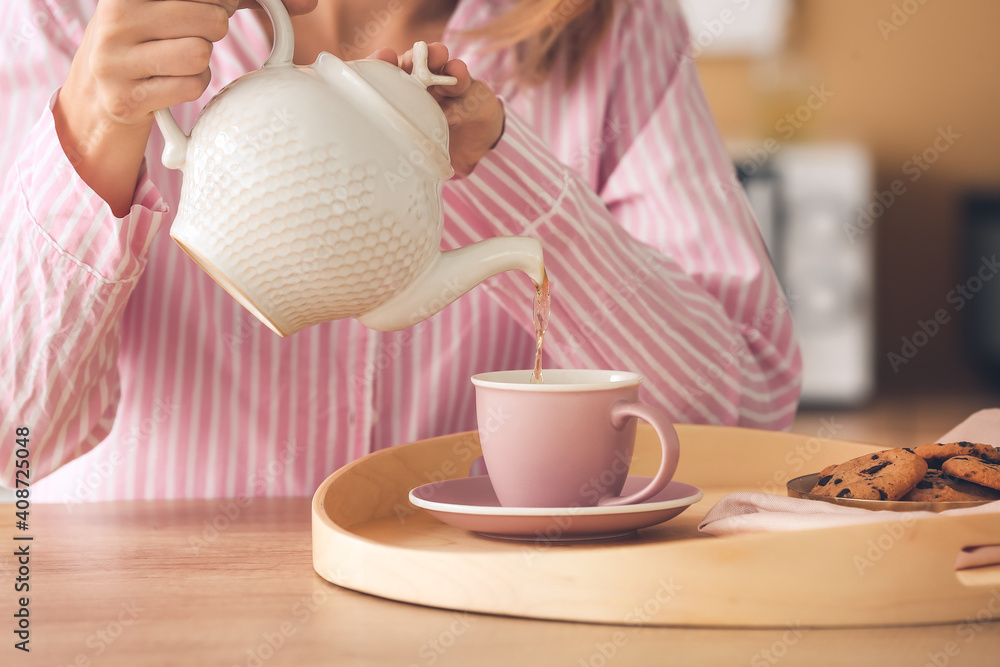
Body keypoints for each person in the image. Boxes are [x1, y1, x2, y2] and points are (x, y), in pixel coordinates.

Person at [0, 0, 801, 502]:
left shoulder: (609, 31)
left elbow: (736, 423)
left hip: (485, 620)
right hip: (154, 627)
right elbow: (15, 443)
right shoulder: (67, 21)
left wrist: (501, 169)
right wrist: (96, 123)